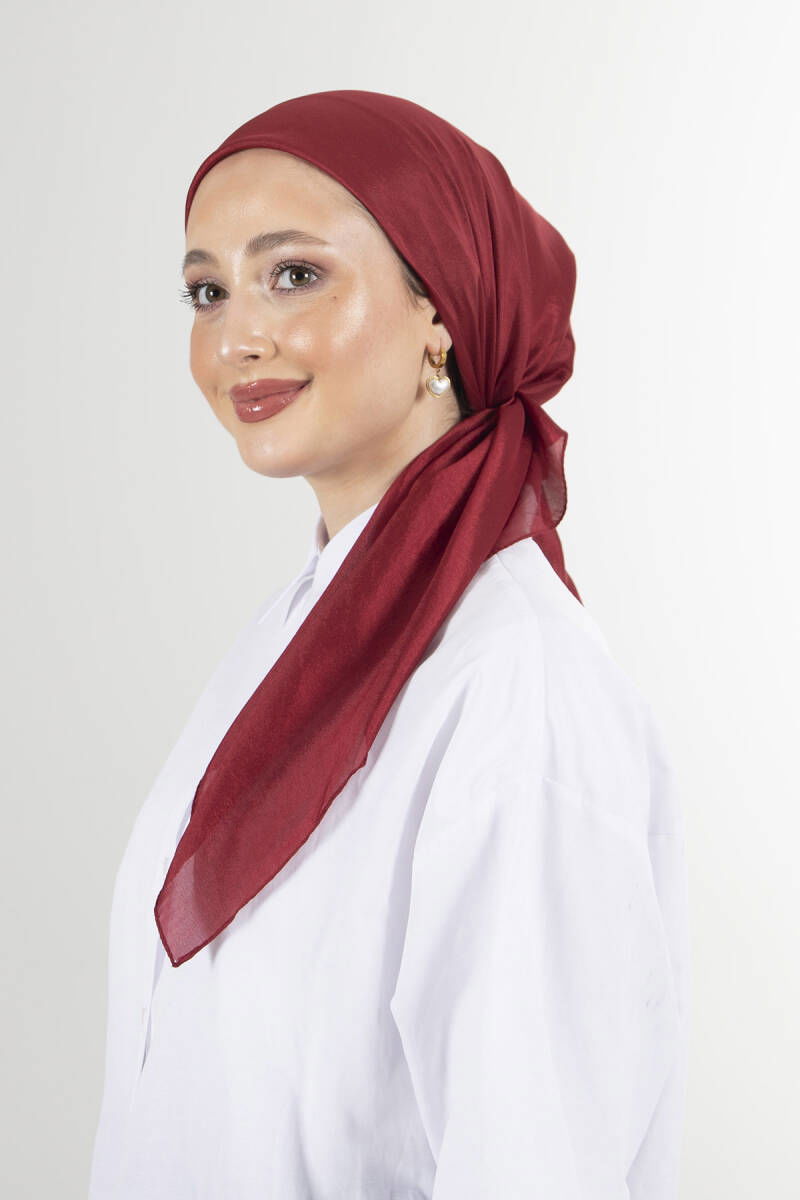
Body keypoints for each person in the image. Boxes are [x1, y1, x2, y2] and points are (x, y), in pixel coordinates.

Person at [89, 90, 690, 1199]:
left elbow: (536, 1166)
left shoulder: (513, 688)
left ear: (439, 311)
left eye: (294, 274)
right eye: (207, 291)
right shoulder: (298, 644)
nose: (237, 337)